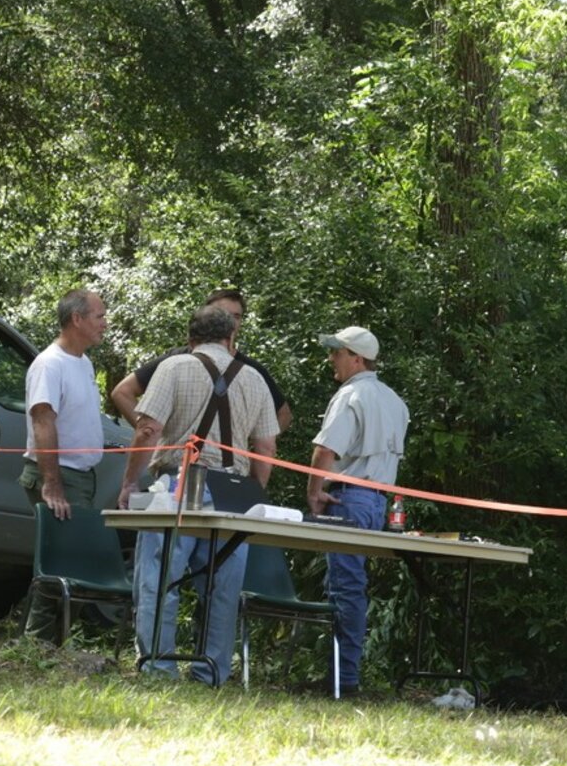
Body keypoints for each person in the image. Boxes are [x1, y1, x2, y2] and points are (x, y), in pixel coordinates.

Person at [116, 305, 280, 685]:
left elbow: (146, 430)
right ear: (230, 339)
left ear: (191, 339)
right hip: (234, 492)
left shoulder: (173, 368)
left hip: (179, 484)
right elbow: (266, 447)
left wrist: (128, 483)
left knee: (159, 579)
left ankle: (159, 666)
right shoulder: (254, 378)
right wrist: (254, 494)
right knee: (222, 587)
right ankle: (212, 672)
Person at [306, 326, 409, 696]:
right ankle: (343, 675)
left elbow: (326, 451)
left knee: (345, 589)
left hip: (348, 497)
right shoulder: (395, 400)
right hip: (376, 502)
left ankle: (343, 680)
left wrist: (315, 492)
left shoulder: (350, 394)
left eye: (337, 352)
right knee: (352, 588)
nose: (331, 358)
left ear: (357, 358)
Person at [19, 289, 109, 643]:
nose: (105, 324)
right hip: (59, 476)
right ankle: (36, 646)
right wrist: (52, 483)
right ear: (77, 319)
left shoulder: (84, 363)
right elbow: (43, 421)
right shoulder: (49, 363)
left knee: (66, 562)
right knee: (62, 563)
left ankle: (44, 644)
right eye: (99, 316)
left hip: (81, 476)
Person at [111, 288, 292, 434]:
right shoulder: (175, 360)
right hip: (176, 464)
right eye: (223, 313)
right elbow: (123, 392)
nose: (229, 321)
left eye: (236, 316)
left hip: (230, 467)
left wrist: (253, 448)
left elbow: (283, 414)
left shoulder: (252, 370)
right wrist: (151, 434)